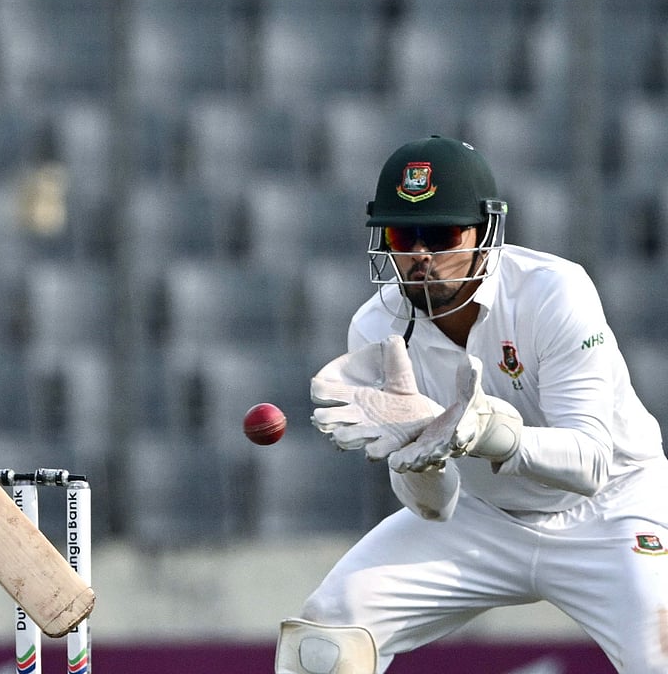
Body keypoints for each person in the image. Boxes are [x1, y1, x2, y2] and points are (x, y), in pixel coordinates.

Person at [275, 135, 668, 673]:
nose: (418, 255)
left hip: (614, 510)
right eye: (400, 234)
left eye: (439, 234)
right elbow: (434, 507)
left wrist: (485, 431)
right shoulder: (375, 326)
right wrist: (420, 451)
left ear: (484, 234)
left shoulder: (552, 292)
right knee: (328, 632)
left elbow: (593, 463)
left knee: (660, 651)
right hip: (482, 518)